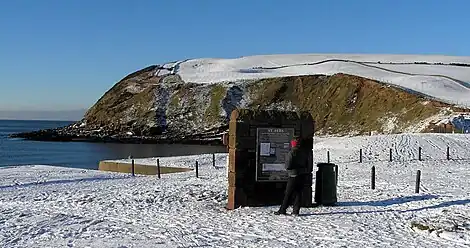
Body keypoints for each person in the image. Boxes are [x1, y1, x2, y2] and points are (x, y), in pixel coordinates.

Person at [274, 137, 309, 216]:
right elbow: (307, 163)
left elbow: (288, 165)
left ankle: (282, 210)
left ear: (293, 145)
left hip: (293, 175)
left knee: (288, 193)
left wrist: (288, 168)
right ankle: (296, 211)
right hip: (301, 175)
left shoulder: (291, 153)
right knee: (298, 193)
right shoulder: (303, 152)